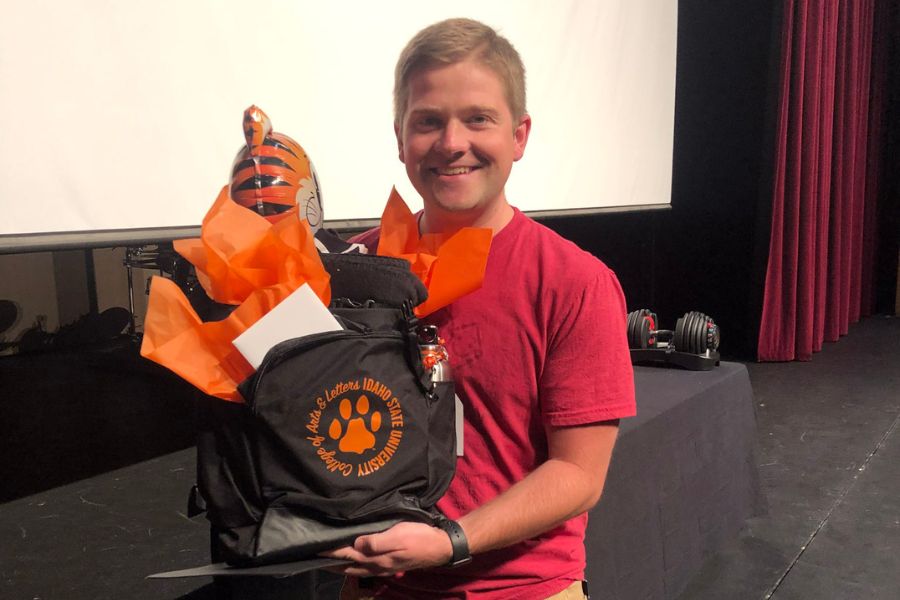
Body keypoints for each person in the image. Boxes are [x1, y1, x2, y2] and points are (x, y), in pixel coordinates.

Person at [322, 17, 636, 599]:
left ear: (519, 136)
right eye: (428, 122)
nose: (451, 142)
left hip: (522, 589)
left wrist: (450, 540)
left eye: (478, 118)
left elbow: (578, 475)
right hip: (375, 588)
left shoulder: (575, 282)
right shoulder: (353, 268)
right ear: (400, 138)